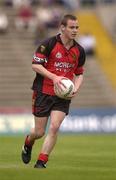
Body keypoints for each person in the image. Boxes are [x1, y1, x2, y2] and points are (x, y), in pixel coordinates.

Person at [21, 14, 86, 168]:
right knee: (39, 132)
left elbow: (79, 74)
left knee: (55, 126)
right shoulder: (47, 44)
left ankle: (41, 161)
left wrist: (75, 88)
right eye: (72, 27)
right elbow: (35, 65)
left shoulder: (79, 50)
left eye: (77, 27)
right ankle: (28, 142)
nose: (75, 30)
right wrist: (55, 77)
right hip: (43, 92)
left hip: (63, 95)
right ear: (62, 28)